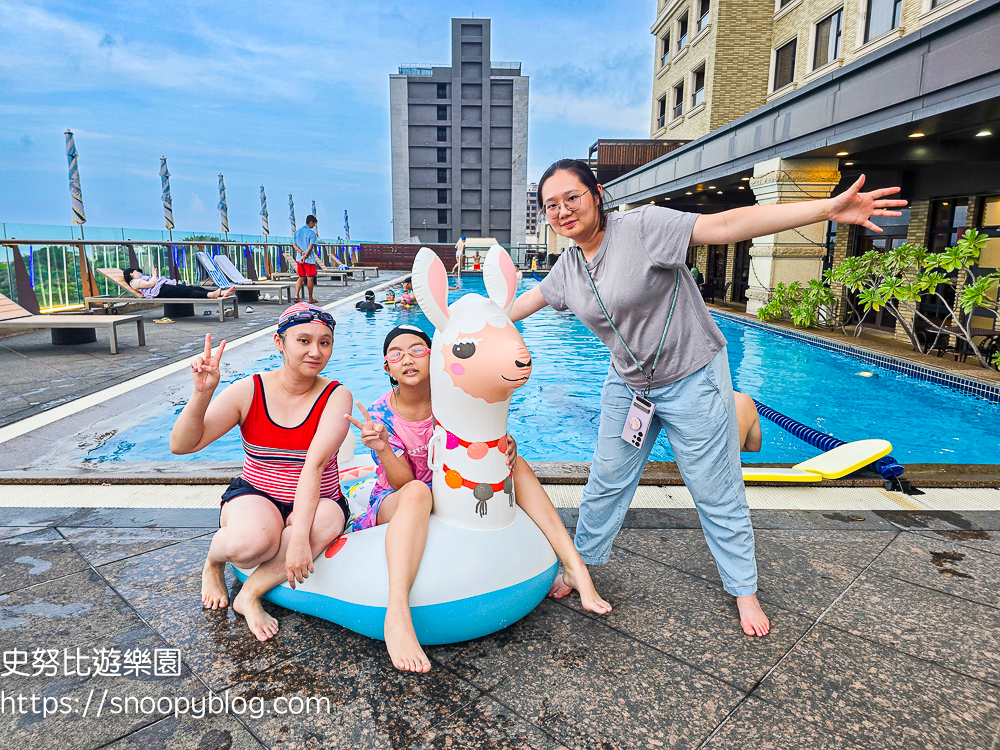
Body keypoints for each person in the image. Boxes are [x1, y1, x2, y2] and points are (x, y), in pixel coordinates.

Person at [510, 159, 906, 637]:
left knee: (714, 488)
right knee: (606, 479)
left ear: (596, 194)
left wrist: (826, 209)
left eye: (572, 197)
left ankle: (744, 589)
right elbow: (522, 305)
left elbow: (726, 225)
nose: (563, 211)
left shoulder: (644, 227)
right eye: (551, 205)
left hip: (693, 377)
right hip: (630, 384)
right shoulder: (569, 268)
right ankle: (581, 566)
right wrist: (466, 326)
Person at [344, 325, 611, 673]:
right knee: (418, 491)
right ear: (387, 367)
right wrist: (381, 448)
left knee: (516, 463)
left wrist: (505, 442)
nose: (407, 358)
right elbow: (403, 482)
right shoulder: (381, 414)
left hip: (449, 490)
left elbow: (479, 439)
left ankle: (575, 566)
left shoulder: (452, 398)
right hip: (400, 497)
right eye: (396, 354)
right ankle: (397, 614)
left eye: (417, 350)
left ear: (433, 358)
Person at [170, 304, 354, 642]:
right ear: (279, 342)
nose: (315, 352)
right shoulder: (249, 391)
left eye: (325, 342)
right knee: (252, 543)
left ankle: (249, 595)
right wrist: (202, 393)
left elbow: (313, 466)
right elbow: (182, 445)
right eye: (303, 340)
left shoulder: (336, 396)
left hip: (319, 498)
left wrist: (300, 538)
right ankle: (213, 563)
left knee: (326, 520)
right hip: (258, 495)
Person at [122, 267, 235, 300]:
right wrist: (154, 275)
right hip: (160, 291)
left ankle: (221, 293)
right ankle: (210, 295)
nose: (139, 273)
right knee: (186, 291)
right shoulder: (134, 282)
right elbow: (150, 285)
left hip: (163, 287)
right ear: (131, 274)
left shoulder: (138, 279)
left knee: (192, 288)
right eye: (136, 271)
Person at [294, 215, 320, 304]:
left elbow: (294, 245)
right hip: (309, 260)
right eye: (314, 224)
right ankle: (310, 298)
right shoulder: (312, 233)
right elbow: (310, 247)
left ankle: (296, 295)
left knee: (301, 277)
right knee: (310, 278)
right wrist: (305, 257)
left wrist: (301, 253)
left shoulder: (297, 232)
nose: (314, 226)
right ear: (311, 222)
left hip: (299, 259)